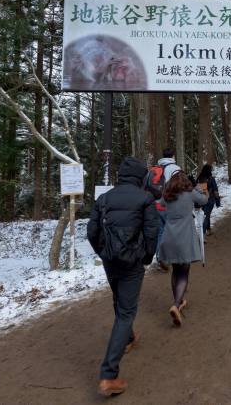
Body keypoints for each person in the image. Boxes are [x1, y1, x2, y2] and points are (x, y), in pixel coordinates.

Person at [87, 157, 160, 397]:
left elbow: (92, 232)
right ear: (141, 177)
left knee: (120, 301)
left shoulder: (104, 199)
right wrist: (146, 257)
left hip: (110, 261)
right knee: (126, 311)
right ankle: (109, 375)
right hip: (132, 262)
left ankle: (128, 337)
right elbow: (151, 232)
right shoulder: (146, 198)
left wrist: (104, 253)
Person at [157, 172, 208, 326]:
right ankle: (176, 304)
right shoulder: (190, 193)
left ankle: (178, 302)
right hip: (185, 237)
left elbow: (160, 204)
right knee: (184, 272)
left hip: (169, 237)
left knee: (175, 271)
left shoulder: (167, 195)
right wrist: (201, 189)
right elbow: (204, 200)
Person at [145, 149, 182, 270]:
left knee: (160, 231)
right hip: (169, 204)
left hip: (154, 205)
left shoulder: (155, 169)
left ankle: (160, 257)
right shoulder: (175, 168)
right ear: (173, 156)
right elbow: (179, 187)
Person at [196, 164, 221, 236]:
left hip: (201, 200)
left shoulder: (199, 178)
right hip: (210, 200)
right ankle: (203, 235)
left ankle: (209, 229)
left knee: (206, 214)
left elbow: (197, 190)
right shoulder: (211, 179)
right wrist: (218, 201)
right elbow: (215, 191)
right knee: (206, 216)